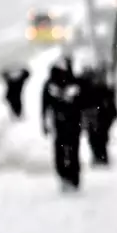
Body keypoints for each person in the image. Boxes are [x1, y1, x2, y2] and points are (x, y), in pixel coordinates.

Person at [41, 54, 83, 190]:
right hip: (62, 122)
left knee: (70, 150)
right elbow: (45, 105)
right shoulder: (52, 84)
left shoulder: (74, 82)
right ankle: (67, 175)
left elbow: (83, 101)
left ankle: (71, 176)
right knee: (66, 150)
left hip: (71, 121)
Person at [78, 65, 117, 165]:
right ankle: (99, 156)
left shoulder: (102, 88)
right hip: (96, 113)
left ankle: (100, 156)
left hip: (100, 114)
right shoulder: (91, 87)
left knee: (98, 136)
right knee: (96, 136)